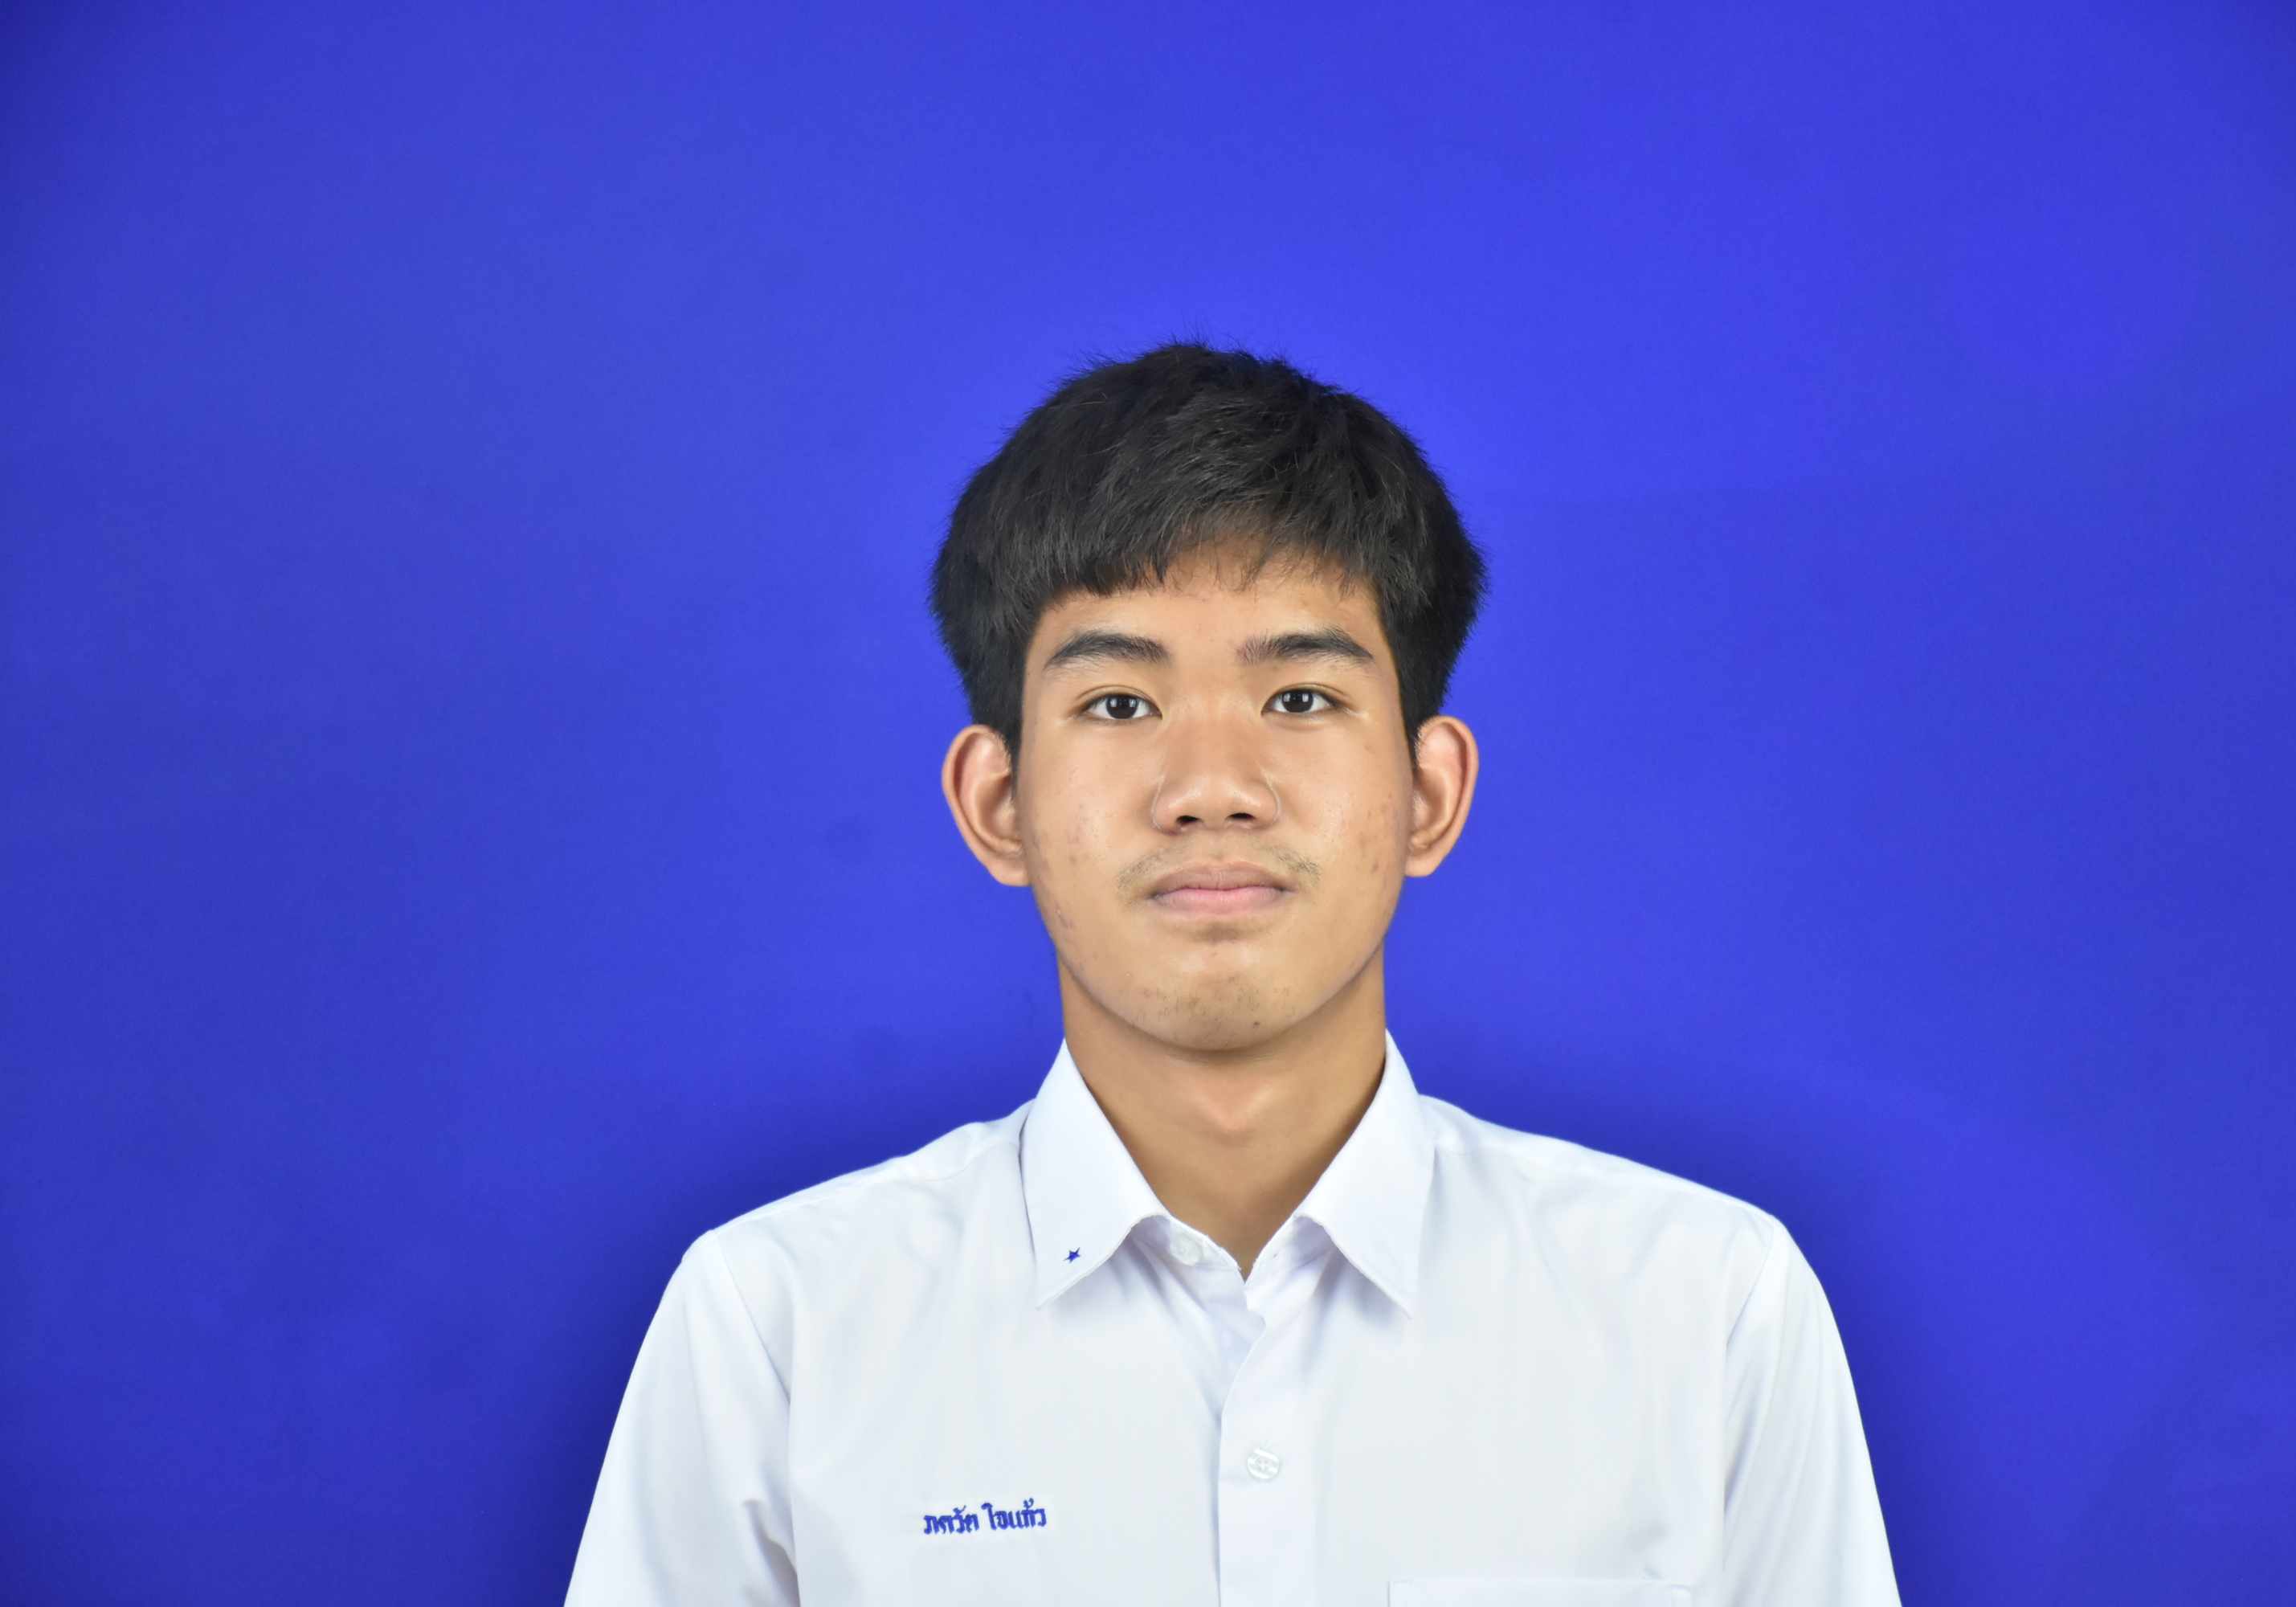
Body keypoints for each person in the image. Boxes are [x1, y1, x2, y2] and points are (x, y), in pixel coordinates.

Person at [565, 345, 1899, 1607]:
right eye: (1119, 704)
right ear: (998, 805)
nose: (1212, 788)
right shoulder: (779, 1330)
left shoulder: (1704, 1311)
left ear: (1429, 793)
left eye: (1301, 699)